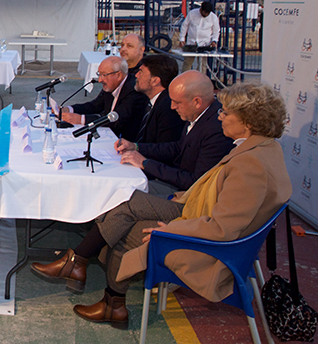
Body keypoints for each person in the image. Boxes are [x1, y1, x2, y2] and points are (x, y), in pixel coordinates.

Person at [31, 82, 290, 328]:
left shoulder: (250, 165)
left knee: (126, 230)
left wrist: (173, 230)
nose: (220, 117)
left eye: (226, 113)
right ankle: (82, 267)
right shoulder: (262, 149)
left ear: (247, 121)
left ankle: (107, 297)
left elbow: (223, 228)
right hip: (196, 211)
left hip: (212, 248)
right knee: (124, 200)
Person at [114, 70, 235, 197]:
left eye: (177, 102)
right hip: (177, 184)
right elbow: (178, 148)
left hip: (187, 196)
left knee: (123, 194)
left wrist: (145, 163)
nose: (172, 107)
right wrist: (136, 147)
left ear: (197, 102)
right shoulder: (198, 113)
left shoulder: (217, 129)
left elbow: (196, 181)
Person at [60, 56, 148, 142]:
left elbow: (117, 120)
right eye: (99, 74)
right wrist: (69, 109)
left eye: (104, 75)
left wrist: (81, 119)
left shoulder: (134, 90)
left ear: (118, 75)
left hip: (125, 140)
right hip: (109, 134)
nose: (100, 80)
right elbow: (95, 106)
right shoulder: (110, 84)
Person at [130, 55, 186, 145]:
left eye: (141, 72)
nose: (136, 75)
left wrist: (136, 147)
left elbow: (165, 147)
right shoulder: (149, 100)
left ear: (155, 81)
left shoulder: (168, 108)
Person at [180, 0, 220, 73]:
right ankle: (185, 78)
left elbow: (216, 31)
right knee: (187, 63)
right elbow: (185, 25)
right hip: (191, 43)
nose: (206, 14)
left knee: (202, 65)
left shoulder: (214, 17)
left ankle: (200, 79)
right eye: (204, 12)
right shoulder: (192, 13)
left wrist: (214, 40)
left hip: (204, 44)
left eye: (208, 13)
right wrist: (182, 38)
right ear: (201, 9)